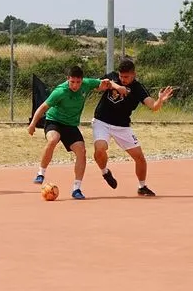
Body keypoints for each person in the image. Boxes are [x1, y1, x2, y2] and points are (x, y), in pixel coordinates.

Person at [27, 66, 119, 200]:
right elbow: (43, 107)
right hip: (54, 121)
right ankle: (41, 173)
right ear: (68, 79)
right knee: (53, 139)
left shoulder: (87, 84)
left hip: (70, 125)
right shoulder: (60, 91)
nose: (75, 85)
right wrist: (32, 124)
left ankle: (77, 189)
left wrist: (114, 86)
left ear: (82, 81)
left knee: (81, 150)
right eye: (72, 82)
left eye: (78, 82)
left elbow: (105, 83)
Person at [90, 58, 174, 196]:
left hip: (122, 126)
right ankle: (105, 172)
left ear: (133, 74)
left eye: (126, 77)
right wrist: (115, 86)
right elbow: (98, 86)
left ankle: (142, 187)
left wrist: (160, 100)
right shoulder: (111, 77)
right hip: (101, 121)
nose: (123, 79)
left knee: (139, 157)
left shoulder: (138, 88)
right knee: (100, 148)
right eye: (121, 76)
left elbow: (153, 106)